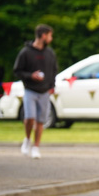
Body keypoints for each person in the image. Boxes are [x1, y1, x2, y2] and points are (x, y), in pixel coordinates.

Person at [13, 24, 58, 159]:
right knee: (30, 118)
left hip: (44, 91)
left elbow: (54, 70)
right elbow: (17, 71)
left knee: (41, 120)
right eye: (50, 35)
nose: (51, 38)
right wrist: (30, 76)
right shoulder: (25, 52)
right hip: (30, 90)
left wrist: (52, 86)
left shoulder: (50, 53)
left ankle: (36, 147)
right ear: (43, 35)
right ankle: (27, 139)